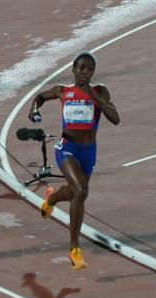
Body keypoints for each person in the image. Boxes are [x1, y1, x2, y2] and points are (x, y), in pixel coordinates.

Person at [27, 51, 120, 270]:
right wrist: (34, 109)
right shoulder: (63, 91)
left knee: (74, 191)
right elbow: (40, 97)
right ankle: (75, 249)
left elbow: (115, 119)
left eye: (90, 69)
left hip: (88, 152)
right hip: (66, 148)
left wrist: (95, 97)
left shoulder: (100, 91)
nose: (86, 73)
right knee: (81, 191)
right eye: (82, 68)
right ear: (74, 70)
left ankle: (50, 200)